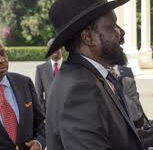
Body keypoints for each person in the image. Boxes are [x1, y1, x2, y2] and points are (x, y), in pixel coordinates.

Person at [45, 0, 144, 150]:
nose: (121, 34)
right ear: (88, 37)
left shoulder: (87, 77)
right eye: (113, 27)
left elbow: (119, 137)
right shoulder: (81, 89)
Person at [0, 43, 45, 150]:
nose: (2, 60)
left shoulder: (24, 82)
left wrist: (39, 143)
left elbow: (41, 123)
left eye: (3, 54)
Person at [35, 38, 63, 112]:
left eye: (57, 47)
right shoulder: (40, 69)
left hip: (68, 113)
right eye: (51, 47)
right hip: (49, 114)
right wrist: (44, 113)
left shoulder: (70, 67)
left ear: (62, 48)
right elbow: (38, 96)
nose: (54, 50)